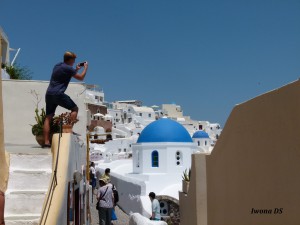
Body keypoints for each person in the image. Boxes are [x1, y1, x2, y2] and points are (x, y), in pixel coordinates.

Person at [43, 51, 88, 148]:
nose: (74, 61)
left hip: (49, 94)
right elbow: (81, 78)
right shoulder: (68, 68)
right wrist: (85, 68)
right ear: (70, 59)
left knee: (48, 117)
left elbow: (65, 73)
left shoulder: (57, 65)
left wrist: (75, 69)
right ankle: (69, 130)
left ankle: (46, 142)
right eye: (74, 60)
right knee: (74, 108)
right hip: (58, 94)